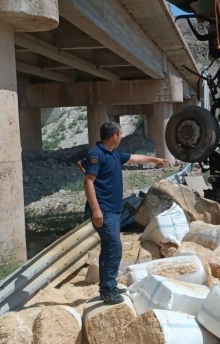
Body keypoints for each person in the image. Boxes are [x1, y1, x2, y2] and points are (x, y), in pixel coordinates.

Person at [82, 121, 168, 305]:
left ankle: (108, 286)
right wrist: (96, 210)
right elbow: (88, 182)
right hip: (103, 211)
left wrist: (154, 160)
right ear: (114, 135)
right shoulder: (96, 154)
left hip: (113, 210)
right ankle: (108, 290)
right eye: (120, 134)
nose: (121, 137)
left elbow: (133, 158)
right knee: (114, 248)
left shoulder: (113, 154)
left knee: (109, 248)